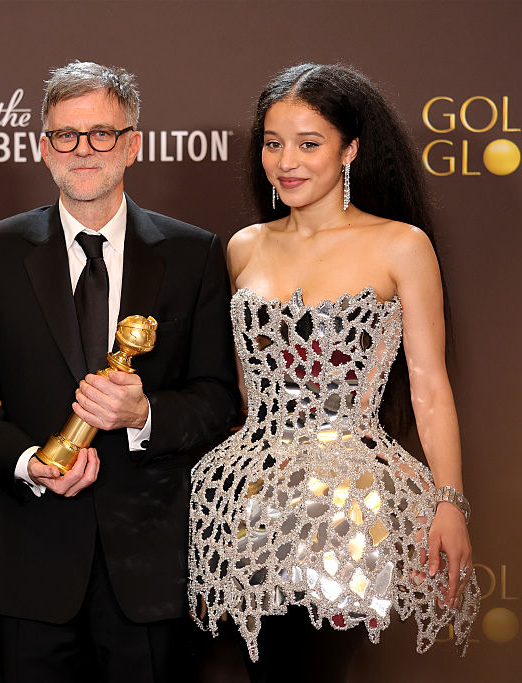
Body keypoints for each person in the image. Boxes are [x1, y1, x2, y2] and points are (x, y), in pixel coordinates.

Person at [0, 61, 239, 682]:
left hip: (150, 567)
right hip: (29, 559)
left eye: (101, 134)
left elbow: (217, 399)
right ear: (42, 148)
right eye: (65, 136)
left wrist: (145, 415)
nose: (83, 151)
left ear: (132, 144)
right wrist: (29, 461)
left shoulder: (194, 253)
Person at [188, 63, 481, 681]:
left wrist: (450, 501)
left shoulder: (400, 245)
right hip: (253, 499)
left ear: (349, 149)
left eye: (308, 143)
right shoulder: (244, 246)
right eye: (273, 143)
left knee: (320, 668)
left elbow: (429, 386)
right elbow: (240, 387)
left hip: (351, 507)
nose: (286, 161)